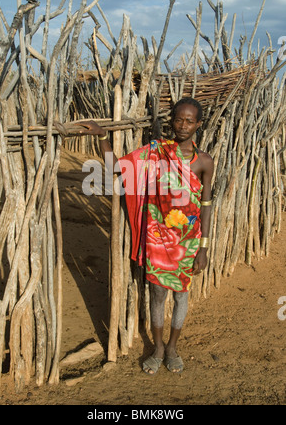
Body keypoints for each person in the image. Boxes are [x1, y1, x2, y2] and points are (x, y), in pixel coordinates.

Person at [76, 97, 214, 375]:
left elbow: (206, 205)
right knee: (157, 295)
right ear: (171, 120)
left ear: (198, 124)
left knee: (181, 296)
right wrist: (103, 136)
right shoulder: (154, 153)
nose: (183, 126)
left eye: (189, 121)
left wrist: (203, 248)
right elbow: (117, 168)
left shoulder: (205, 162)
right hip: (157, 238)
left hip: (187, 242)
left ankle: (173, 347)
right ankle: (159, 347)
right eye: (178, 119)